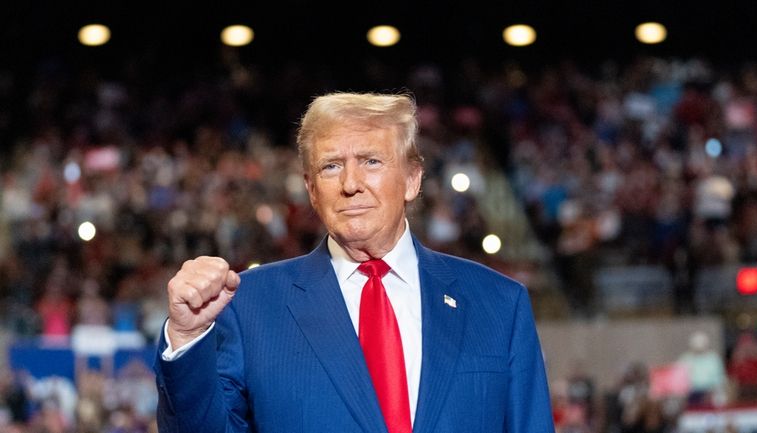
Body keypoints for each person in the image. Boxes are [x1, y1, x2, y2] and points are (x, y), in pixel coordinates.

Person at [154, 91, 554, 433]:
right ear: (312, 190)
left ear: (413, 179)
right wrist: (187, 339)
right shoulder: (249, 305)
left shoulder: (499, 304)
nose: (350, 184)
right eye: (331, 166)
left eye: (371, 161)